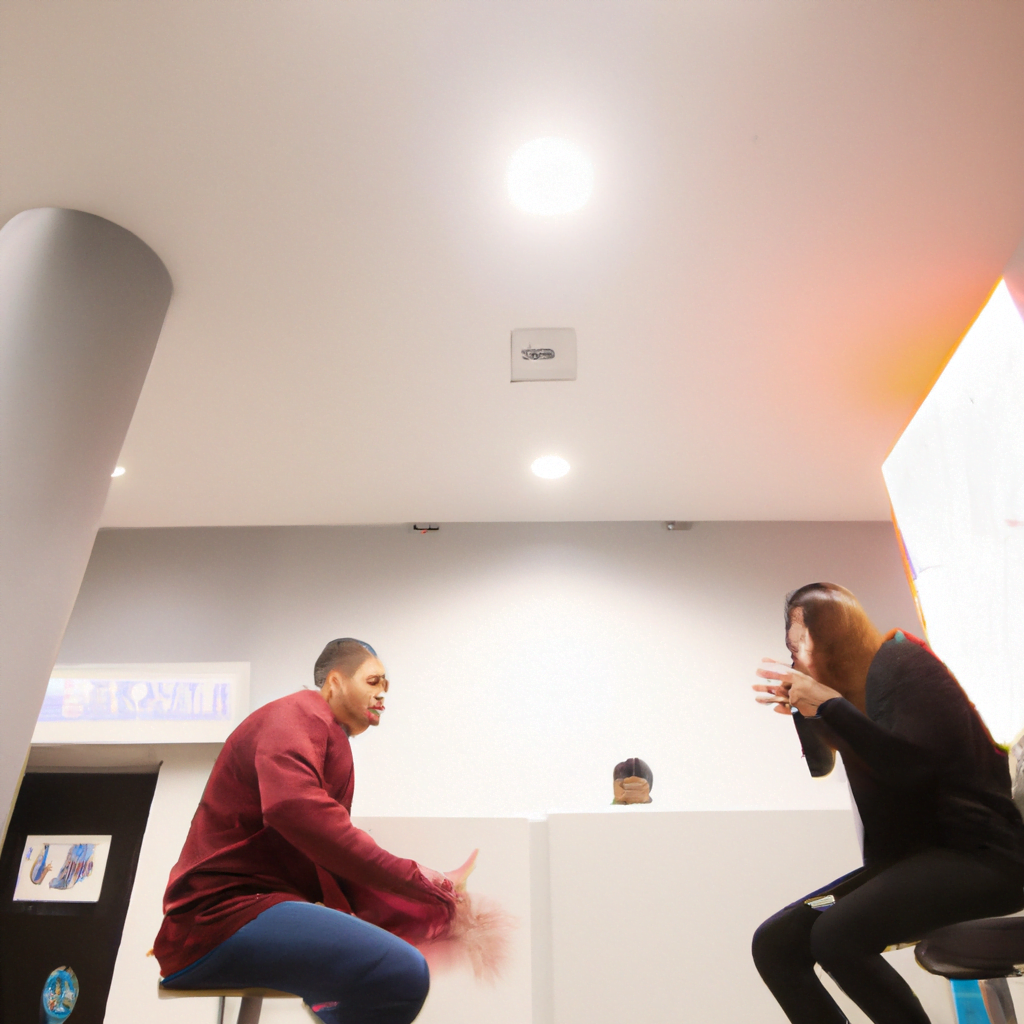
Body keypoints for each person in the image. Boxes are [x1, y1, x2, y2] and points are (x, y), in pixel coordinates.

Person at [750, 583, 1024, 1024]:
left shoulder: (906, 663)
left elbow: (912, 770)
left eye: (803, 642)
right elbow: (821, 766)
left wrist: (831, 707)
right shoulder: (856, 696)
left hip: (981, 857)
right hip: (914, 862)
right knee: (776, 944)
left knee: (838, 935)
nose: (796, 656)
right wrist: (808, 711)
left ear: (836, 635)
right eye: (791, 647)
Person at [154, 638, 466, 1024]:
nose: (383, 694)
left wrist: (429, 895)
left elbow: (326, 853)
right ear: (334, 682)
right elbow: (297, 811)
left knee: (399, 971)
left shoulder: (328, 737)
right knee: (401, 973)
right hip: (219, 916)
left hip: (250, 908)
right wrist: (419, 880)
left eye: (386, 686)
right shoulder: (297, 714)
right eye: (373, 682)